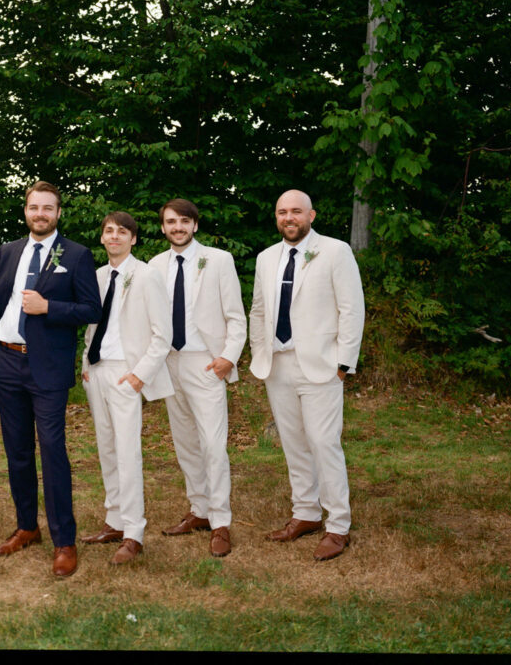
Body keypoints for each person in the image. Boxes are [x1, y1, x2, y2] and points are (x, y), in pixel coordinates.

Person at [0, 181, 102, 577]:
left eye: (48, 208)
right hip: (6, 364)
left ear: (58, 213)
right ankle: (26, 527)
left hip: (47, 368)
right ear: (25, 210)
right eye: (34, 207)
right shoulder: (8, 252)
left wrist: (48, 306)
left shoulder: (77, 254)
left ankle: (64, 541)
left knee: (52, 450)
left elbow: (91, 309)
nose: (40, 214)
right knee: (17, 451)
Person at [249, 190, 365, 561]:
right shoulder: (267, 258)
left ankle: (338, 525)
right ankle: (306, 513)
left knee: (323, 442)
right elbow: (258, 310)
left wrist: (344, 362)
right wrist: (259, 352)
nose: (289, 218)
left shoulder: (335, 251)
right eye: (282, 212)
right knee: (294, 442)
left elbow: (351, 308)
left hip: (321, 365)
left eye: (296, 211)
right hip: (277, 364)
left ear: (311, 215)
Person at [149, 198, 246, 558]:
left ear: (195, 225)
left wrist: (227, 358)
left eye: (184, 221)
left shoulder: (219, 261)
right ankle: (199, 510)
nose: (178, 227)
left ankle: (221, 521)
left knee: (212, 444)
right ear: (162, 227)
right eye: (171, 222)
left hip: (205, 363)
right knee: (185, 442)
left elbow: (236, 316)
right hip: (169, 363)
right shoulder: (154, 266)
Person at [80, 211, 174, 565]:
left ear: (133, 239)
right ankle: (114, 520)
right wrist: (86, 365)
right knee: (106, 449)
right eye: (109, 231)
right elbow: (92, 325)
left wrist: (139, 375)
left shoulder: (147, 276)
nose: (115, 236)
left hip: (127, 374)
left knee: (127, 452)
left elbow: (162, 335)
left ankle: (134, 532)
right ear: (102, 238)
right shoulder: (97, 276)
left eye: (122, 232)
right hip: (98, 373)